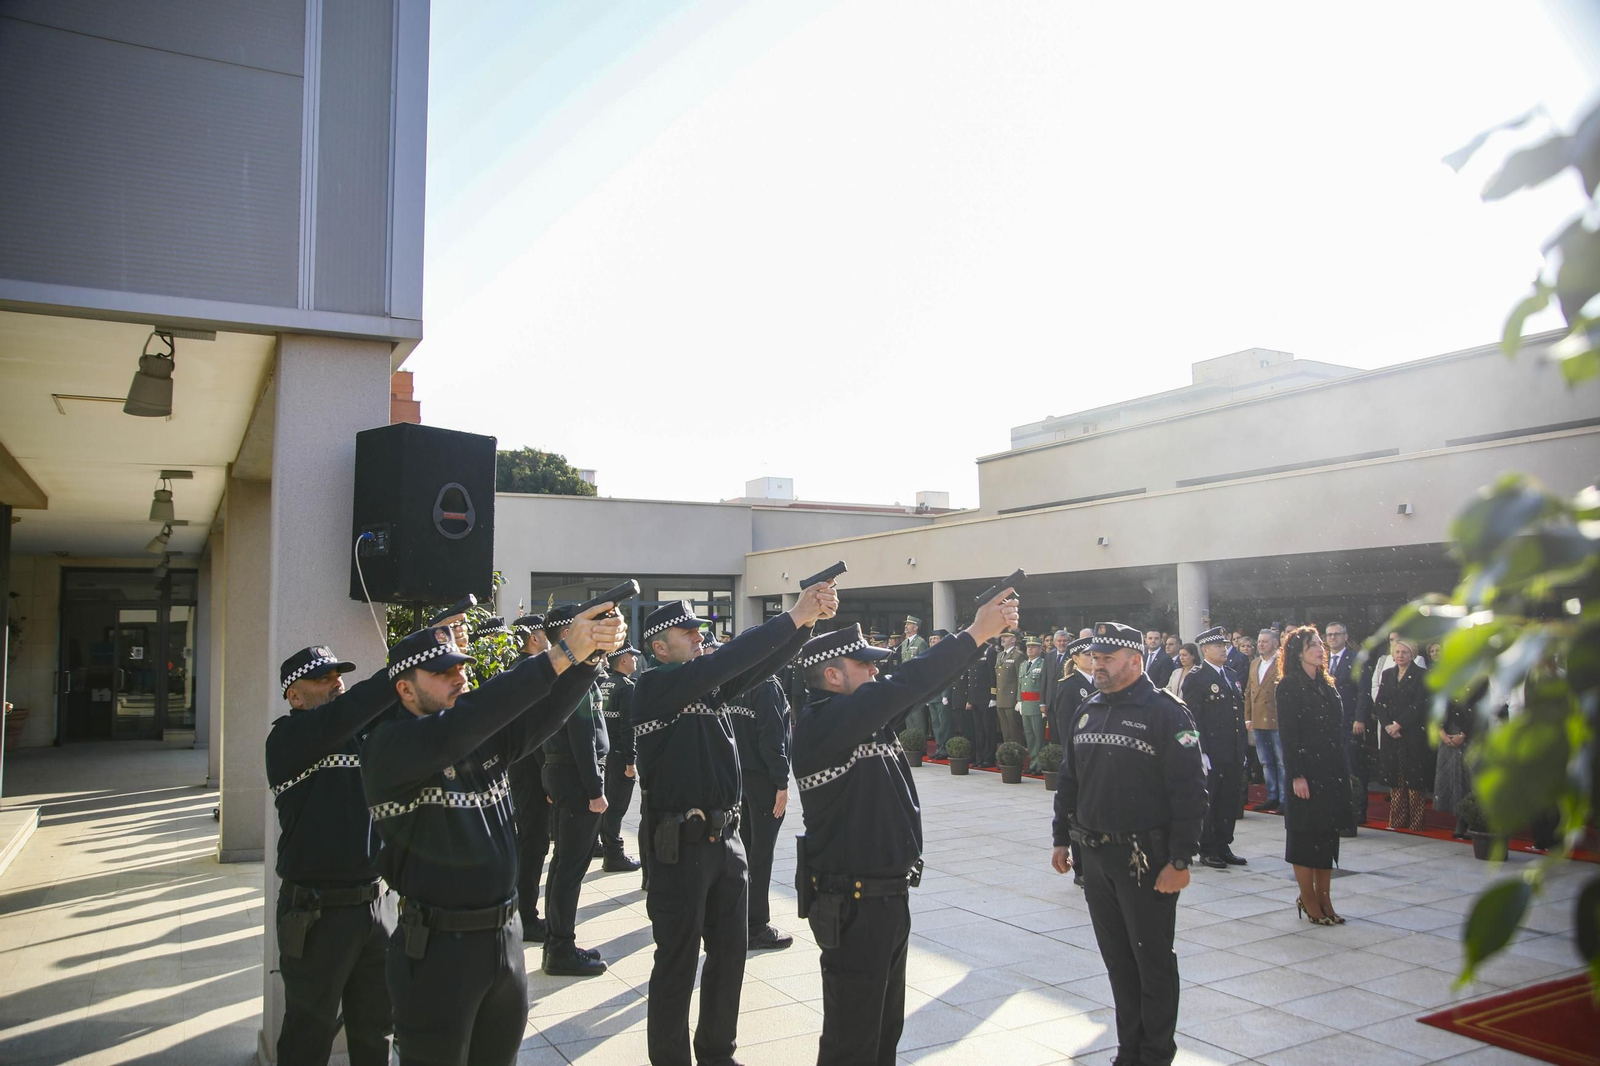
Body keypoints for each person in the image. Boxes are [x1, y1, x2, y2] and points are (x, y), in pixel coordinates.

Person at [361, 605, 625, 1066]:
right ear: (405, 688)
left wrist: (588, 660)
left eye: (461, 667)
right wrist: (562, 654)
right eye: (442, 673)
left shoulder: (472, 736)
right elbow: (472, 719)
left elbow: (539, 720)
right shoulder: (389, 745)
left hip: (503, 941)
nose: (459, 677)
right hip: (439, 952)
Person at [796, 591, 1018, 1065]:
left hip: (885, 898)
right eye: (866, 668)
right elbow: (905, 684)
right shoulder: (826, 722)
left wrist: (979, 640)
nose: (878, 673)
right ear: (833, 675)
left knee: (882, 1036)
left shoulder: (859, 720)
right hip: (853, 904)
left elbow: (918, 686)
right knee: (851, 1041)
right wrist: (975, 631)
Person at [633, 585, 836, 1066]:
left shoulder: (702, 683)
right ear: (660, 647)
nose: (700, 639)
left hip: (726, 841)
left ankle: (717, 1054)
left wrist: (804, 625)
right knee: (678, 964)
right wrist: (792, 615)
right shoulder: (654, 686)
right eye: (688, 633)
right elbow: (728, 662)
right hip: (679, 846)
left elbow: (756, 666)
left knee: (730, 957)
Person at [1051, 622, 1207, 1066]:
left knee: (1152, 963)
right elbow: (1069, 779)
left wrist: (1181, 858)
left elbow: (1190, 789)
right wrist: (1062, 837)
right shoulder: (1088, 708)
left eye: (1107, 659)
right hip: (1096, 859)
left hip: (1146, 859)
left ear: (1135, 661)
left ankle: (1155, 1054)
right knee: (1119, 963)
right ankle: (1129, 1051)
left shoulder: (1166, 712)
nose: (1097, 665)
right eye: (1094, 658)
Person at [267, 646, 397, 1066]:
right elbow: (353, 709)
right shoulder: (287, 739)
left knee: (376, 1030)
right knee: (308, 1036)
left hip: (374, 908)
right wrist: (411, 654)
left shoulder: (359, 732)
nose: (337, 682)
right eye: (322, 678)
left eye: (338, 675)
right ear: (295, 697)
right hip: (316, 915)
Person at [538, 606, 614, 976]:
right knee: (571, 867)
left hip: (563, 776)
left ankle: (557, 941)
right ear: (568, 632)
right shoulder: (574, 677)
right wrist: (596, 789)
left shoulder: (555, 674)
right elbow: (583, 738)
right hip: (578, 780)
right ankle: (560, 948)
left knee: (563, 865)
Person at [1275, 625, 1354, 924]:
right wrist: (1297, 775)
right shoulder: (1289, 686)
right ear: (1298, 652)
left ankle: (1325, 900)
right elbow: (1290, 736)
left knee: (1326, 838)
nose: (1320, 649)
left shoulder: (1327, 684)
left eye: (1320, 644)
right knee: (1304, 839)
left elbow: (1336, 731)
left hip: (1330, 771)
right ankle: (1308, 900)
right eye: (1312, 645)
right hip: (1305, 772)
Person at [730, 669, 795, 952]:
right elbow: (772, 739)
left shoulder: (737, 680)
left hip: (738, 775)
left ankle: (737, 917)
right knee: (760, 853)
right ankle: (756, 925)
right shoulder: (766, 685)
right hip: (762, 779)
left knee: (742, 851)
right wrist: (782, 782)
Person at [1182, 629, 1248, 869]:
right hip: (1211, 751)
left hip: (1232, 750)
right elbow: (1190, 718)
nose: (1223, 648)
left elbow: (1236, 714)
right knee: (1210, 801)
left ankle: (1223, 844)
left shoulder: (1230, 675)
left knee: (1229, 800)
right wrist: (1198, 752)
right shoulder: (1197, 678)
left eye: (1224, 644)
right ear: (1205, 650)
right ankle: (1207, 848)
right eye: (1218, 645)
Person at [507, 614, 554, 942]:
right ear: (534, 639)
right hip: (531, 771)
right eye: (545, 633)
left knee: (528, 841)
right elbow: (535, 733)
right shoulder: (530, 673)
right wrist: (548, 778)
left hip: (519, 768)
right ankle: (526, 916)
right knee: (534, 842)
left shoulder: (514, 669)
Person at [1374, 637, 1433, 831]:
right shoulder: (1388, 674)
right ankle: (1397, 820)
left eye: (1405, 652)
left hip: (1412, 733)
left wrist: (1399, 724)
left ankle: (1416, 823)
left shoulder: (1421, 675)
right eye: (1397, 652)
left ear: (1413, 654)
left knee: (1414, 778)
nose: (1400, 655)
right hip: (1391, 734)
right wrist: (1388, 725)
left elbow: (1419, 704)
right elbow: (1380, 702)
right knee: (1396, 777)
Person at [594, 646, 642, 871]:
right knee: (617, 807)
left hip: (604, 753)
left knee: (607, 803)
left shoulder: (602, 683)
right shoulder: (626, 688)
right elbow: (628, 728)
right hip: (620, 755)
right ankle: (614, 854)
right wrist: (631, 762)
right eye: (632, 657)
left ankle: (603, 846)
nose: (635, 660)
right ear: (623, 660)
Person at [1323, 622, 1364, 832]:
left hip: (1349, 720)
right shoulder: (1321, 659)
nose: (1332, 638)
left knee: (1351, 766)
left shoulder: (1356, 660)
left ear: (1345, 636)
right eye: (1329, 635)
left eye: (1336, 634)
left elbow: (1362, 691)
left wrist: (1360, 718)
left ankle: (1358, 809)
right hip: (1328, 723)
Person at [1245, 629, 1284, 812]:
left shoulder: (1282, 663)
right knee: (1266, 761)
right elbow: (1248, 691)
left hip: (1276, 718)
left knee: (1281, 761)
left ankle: (1284, 798)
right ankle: (1272, 795)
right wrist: (1247, 717)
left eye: (1265, 642)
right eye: (1259, 641)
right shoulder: (1254, 663)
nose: (1260, 644)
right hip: (1258, 718)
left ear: (1275, 644)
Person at [963, 638, 998, 768]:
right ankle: (981, 757)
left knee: (988, 729)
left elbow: (992, 675)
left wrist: (993, 696)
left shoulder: (991, 652)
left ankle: (989, 758)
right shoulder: (975, 652)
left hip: (986, 697)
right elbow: (971, 677)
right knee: (979, 730)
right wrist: (969, 699)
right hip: (975, 697)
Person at [1018, 635, 1048, 771]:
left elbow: (1044, 686)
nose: (1030, 649)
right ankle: (1033, 763)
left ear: (1040, 649)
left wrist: (1043, 704)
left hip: (1036, 705)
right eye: (1028, 646)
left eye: (1033, 646)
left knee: (1039, 737)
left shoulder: (1043, 664)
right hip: (1026, 704)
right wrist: (1019, 701)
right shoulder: (1023, 664)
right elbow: (1020, 685)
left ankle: (1040, 764)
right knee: (1029, 736)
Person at [926, 630, 957, 757]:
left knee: (945, 723)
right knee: (935, 724)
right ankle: (939, 746)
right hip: (932, 695)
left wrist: (945, 694)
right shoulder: (929, 655)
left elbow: (948, 676)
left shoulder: (946, 655)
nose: (933, 641)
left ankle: (945, 747)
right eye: (931, 639)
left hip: (942, 695)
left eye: (935, 638)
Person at [994, 631, 1025, 748]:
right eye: (1002, 636)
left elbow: (1020, 679)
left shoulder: (1018, 656)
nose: (1003, 638)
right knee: (1005, 731)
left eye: (1006, 636)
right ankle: (1008, 755)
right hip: (1001, 698)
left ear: (1014, 639)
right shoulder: (1000, 655)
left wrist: (1019, 699)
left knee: (1014, 731)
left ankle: (1017, 755)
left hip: (1012, 699)